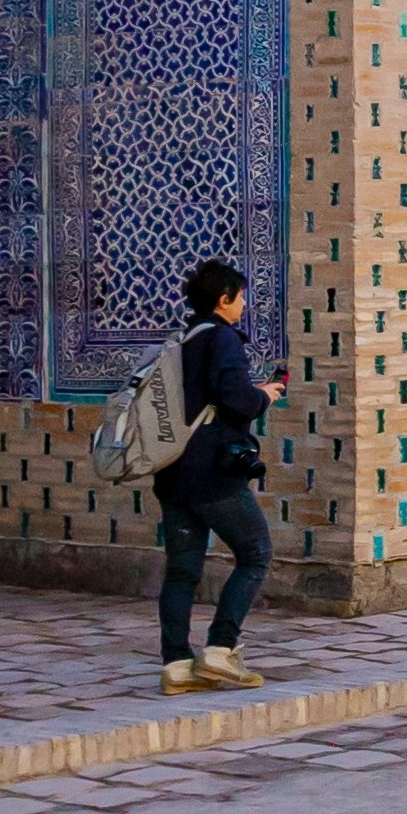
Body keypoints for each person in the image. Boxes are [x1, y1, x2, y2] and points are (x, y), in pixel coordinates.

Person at [157, 259, 271, 693]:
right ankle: (221, 650)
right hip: (213, 474)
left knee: (181, 571)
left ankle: (176, 665)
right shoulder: (222, 338)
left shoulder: (181, 339)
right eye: (240, 297)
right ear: (224, 300)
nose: (243, 304)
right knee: (255, 553)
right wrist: (262, 396)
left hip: (172, 472)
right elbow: (235, 399)